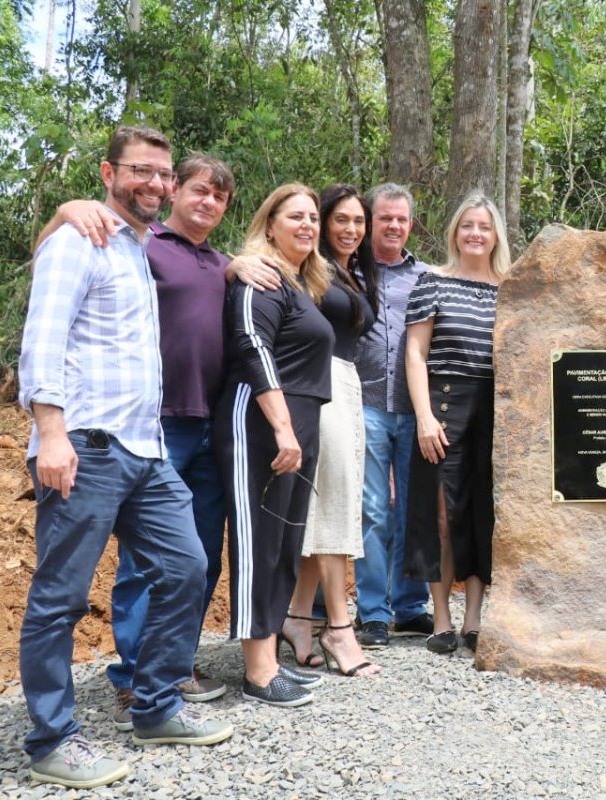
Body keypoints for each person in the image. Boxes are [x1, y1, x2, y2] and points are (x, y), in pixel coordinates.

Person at [18, 125, 232, 790]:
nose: (155, 184)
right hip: (84, 446)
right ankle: (53, 737)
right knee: (60, 598)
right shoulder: (80, 237)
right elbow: (43, 336)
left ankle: (156, 703)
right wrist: (50, 434)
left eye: (162, 174)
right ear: (108, 173)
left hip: (145, 449)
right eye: (140, 170)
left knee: (187, 566)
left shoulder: (137, 246)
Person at [215, 183, 334, 707]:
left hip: (298, 423)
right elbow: (251, 347)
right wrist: (284, 429)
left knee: (285, 541)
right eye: (295, 217)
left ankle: (269, 657)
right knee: (258, 540)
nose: (307, 225)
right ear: (269, 224)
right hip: (260, 424)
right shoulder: (259, 279)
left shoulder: (299, 283)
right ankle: (258, 671)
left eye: (313, 217)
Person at [275, 184, 382, 677]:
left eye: (359, 222)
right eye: (340, 219)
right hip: (315, 387)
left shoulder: (351, 273)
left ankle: (298, 617)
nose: (350, 230)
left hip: (344, 385)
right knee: (334, 505)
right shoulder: (305, 270)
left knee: (327, 505)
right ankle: (338, 626)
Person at [404, 192, 510, 654]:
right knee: (442, 517)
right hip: (443, 405)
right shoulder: (433, 281)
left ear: (495, 235)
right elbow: (415, 352)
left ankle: (474, 620)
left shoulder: (510, 288)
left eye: (484, 227)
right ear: (455, 233)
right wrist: (424, 417)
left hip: (495, 410)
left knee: (482, 514)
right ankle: (442, 618)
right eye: (467, 225)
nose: (475, 234)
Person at [353, 183, 434, 648]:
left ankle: (410, 606)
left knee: (412, 511)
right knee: (370, 512)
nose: (394, 226)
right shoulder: (349, 271)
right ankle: (373, 613)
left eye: (402, 219)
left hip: (413, 409)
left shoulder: (426, 276)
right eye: (385, 218)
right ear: (370, 220)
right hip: (364, 405)